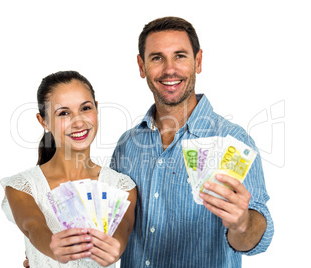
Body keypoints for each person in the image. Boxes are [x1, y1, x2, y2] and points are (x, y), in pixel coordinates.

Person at [110, 16, 274, 267]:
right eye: (157, 58)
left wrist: (242, 223)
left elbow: (254, 238)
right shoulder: (127, 145)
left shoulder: (233, 141)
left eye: (180, 56)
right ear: (141, 66)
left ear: (197, 61)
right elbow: (111, 228)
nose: (169, 69)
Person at [0, 71, 137, 267]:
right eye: (63, 113)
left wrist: (115, 246)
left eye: (86, 108)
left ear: (97, 110)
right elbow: (32, 225)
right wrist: (52, 245)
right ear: (43, 121)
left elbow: (122, 227)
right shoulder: (22, 187)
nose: (79, 121)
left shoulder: (121, 187)